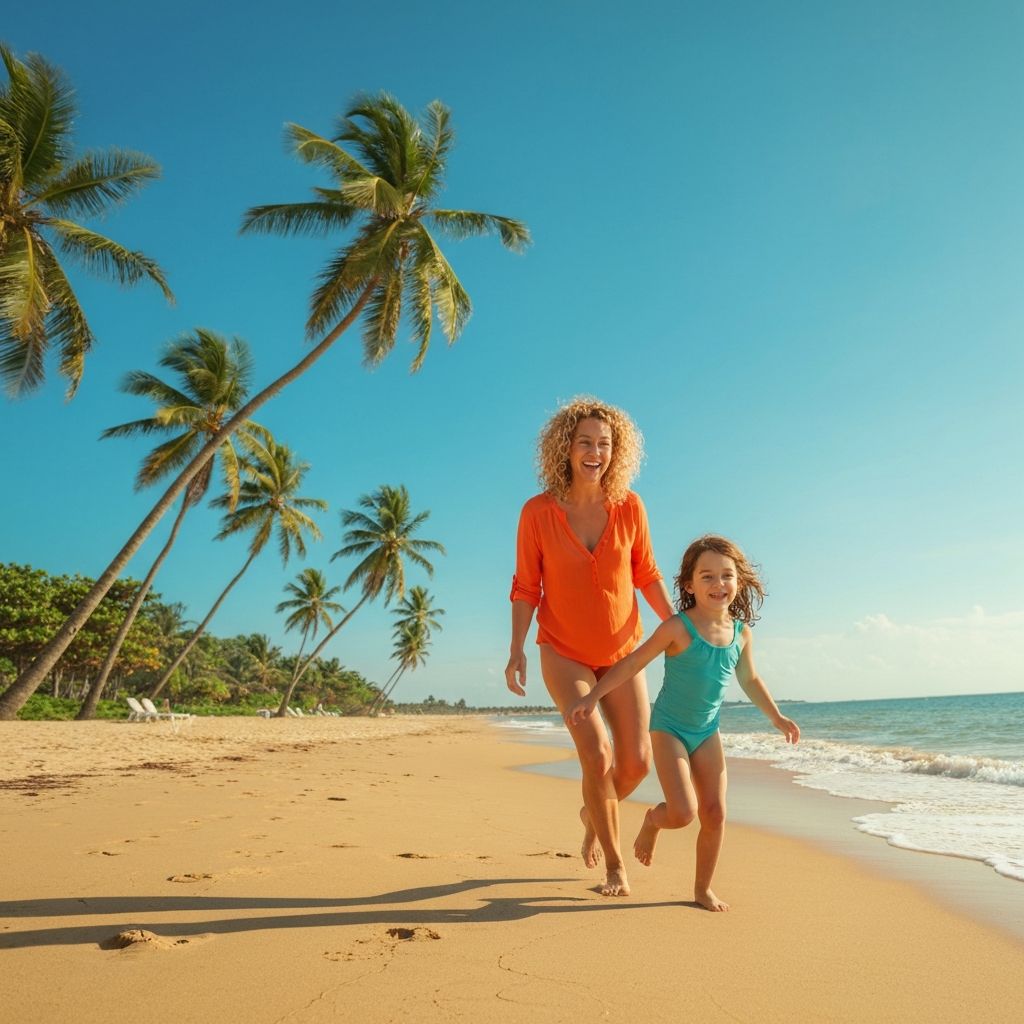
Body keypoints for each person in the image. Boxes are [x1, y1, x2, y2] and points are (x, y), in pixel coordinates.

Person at [565, 534, 800, 911]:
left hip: (707, 732)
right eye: (707, 576)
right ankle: (652, 822)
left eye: (726, 575)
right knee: (683, 813)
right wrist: (593, 695)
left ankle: (702, 890)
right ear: (689, 585)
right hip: (669, 729)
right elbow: (633, 662)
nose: (718, 584)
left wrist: (776, 716)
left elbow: (750, 679)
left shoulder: (741, 634)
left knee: (715, 813)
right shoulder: (677, 628)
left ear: (739, 581)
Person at [505, 397, 674, 896]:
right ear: (566, 447)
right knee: (596, 754)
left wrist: (676, 626)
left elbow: (646, 573)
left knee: (636, 763)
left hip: (623, 652)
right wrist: (516, 649)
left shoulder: (630, 506)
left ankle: (593, 812)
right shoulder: (537, 513)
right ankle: (615, 867)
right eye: (585, 442)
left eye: (604, 444)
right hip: (563, 651)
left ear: (616, 451)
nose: (595, 452)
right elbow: (526, 587)